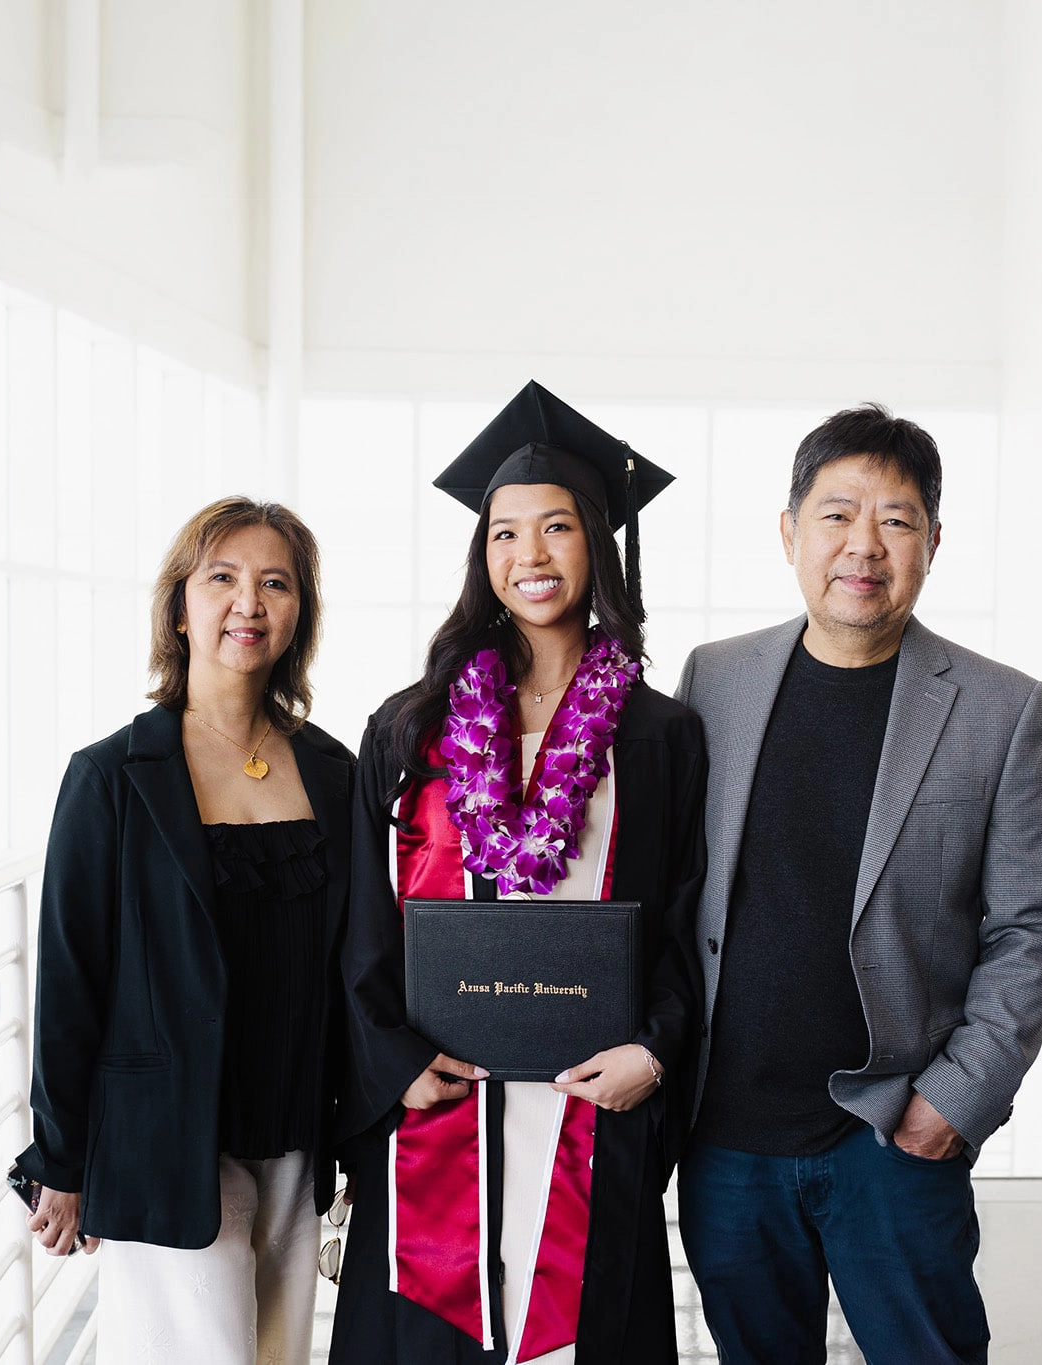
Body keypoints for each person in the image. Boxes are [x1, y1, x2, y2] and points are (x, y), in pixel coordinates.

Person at [674, 405, 1042, 1365]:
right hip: (727, 1136)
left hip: (892, 1132)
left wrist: (957, 1099)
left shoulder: (1000, 707)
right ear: (789, 532)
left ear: (933, 542)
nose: (865, 544)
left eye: (896, 520)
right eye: (837, 515)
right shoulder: (714, 680)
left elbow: (1032, 924)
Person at [330, 381, 708, 1365]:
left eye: (556, 527)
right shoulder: (409, 728)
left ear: (597, 542)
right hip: (436, 1109)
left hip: (593, 1107)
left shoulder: (659, 735)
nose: (529, 554)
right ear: (481, 553)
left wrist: (655, 1050)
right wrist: (391, 1060)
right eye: (504, 532)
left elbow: (686, 918)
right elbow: (361, 919)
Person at [13, 496, 356, 1364]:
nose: (249, 602)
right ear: (179, 608)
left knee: (278, 1355)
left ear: (299, 613)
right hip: (168, 1143)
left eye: (276, 583)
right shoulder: (111, 777)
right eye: (223, 578)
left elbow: (359, 957)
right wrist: (63, 1160)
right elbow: (70, 977)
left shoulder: (334, 771)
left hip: (298, 1139)